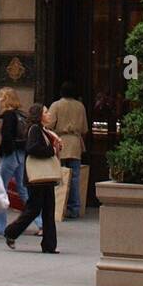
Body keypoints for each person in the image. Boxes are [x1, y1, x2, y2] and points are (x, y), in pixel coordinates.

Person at [4, 104, 62, 254]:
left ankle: (49, 245)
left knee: (47, 209)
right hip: (37, 177)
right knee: (34, 209)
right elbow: (32, 148)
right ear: (39, 115)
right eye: (46, 112)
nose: (49, 114)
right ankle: (11, 231)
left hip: (43, 177)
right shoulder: (35, 129)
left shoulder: (43, 130)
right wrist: (52, 150)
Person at [47, 81, 88, 220]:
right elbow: (84, 128)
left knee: (60, 176)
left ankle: (59, 207)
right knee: (75, 177)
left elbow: (49, 124)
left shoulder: (56, 105)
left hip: (61, 142)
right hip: (75, 143)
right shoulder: (80, 106)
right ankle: (74, 208)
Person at [0, 88, 29, 236]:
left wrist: (0, 152)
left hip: (10, 155)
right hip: (21, 153)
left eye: (1, 98)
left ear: (6, 99)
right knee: (23, 189)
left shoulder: (8, 115)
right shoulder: (21, 114)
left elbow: (7, 138)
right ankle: (40, 223)